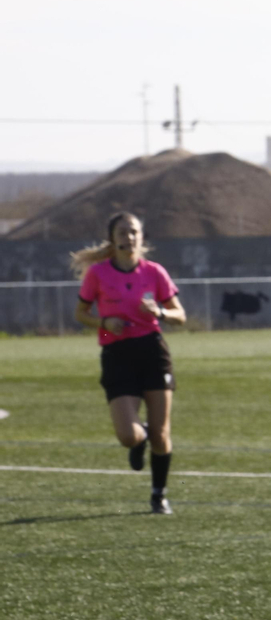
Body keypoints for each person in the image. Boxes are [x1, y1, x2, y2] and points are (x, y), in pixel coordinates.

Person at [71, 212, 186, 514]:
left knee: (163, 435)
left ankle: (158, 495)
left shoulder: (154, 272)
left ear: (141, 237)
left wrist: (159, 313)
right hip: (117, 355)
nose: (129, 237)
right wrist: (106, 323)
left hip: (152, 352)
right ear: (113, 238)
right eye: (123, 232)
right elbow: (81, 314)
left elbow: (181, 315)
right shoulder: (98, 274)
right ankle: (140, 438)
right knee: (128, 435)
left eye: (134, 231)